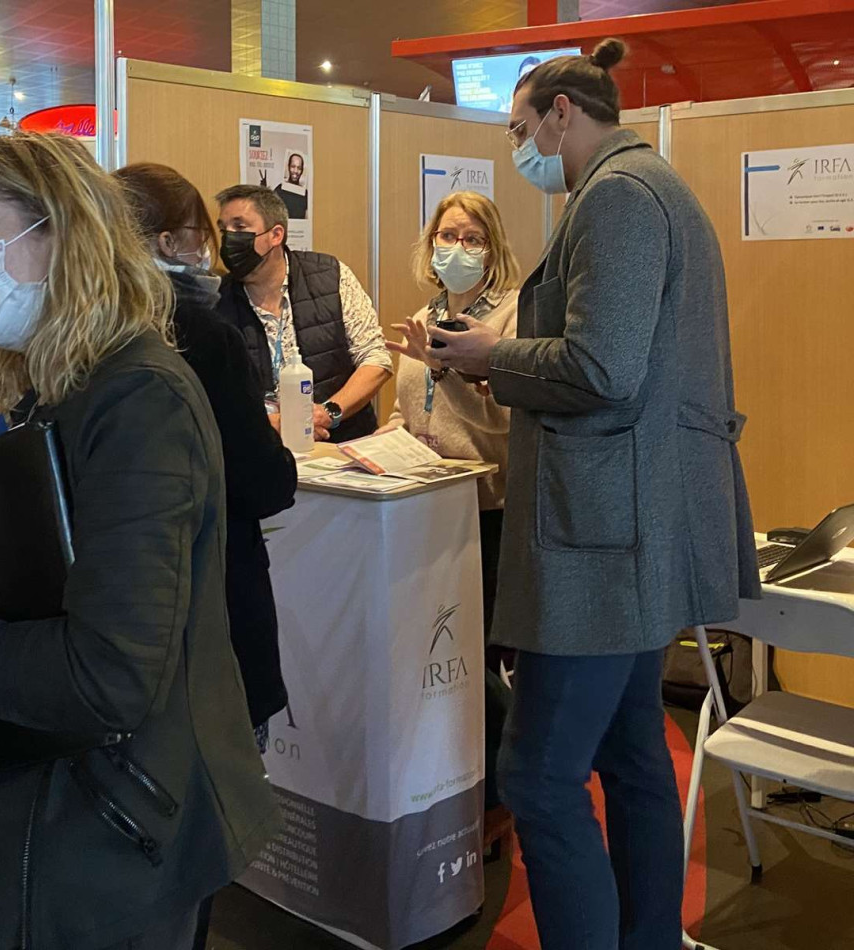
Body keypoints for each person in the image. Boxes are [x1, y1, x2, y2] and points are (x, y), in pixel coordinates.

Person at [0, 133, 278, 950]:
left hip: (112, 819)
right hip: (64, 798)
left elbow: (106, 677)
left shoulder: (134, 397)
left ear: (58, 232)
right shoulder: (61, 383)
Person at [431, 38, 760, 950]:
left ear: (561, 113)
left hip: (604, 537)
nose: (518, 147)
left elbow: (602, 366)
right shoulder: (653, 189)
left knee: (537, 777)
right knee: (631, 758)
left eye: (518, 127)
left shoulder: (616, 197)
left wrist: (490, 356)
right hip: (633, 527)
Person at [116, 162, 296, 748]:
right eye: (208, 233)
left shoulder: (75, 322)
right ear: (170, 242)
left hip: (116, 619)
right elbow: (260, 483)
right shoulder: (199, 331)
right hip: (206, 599)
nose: (216, 250)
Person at [382, 189, 519, 807]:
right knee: (427, 657)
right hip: (422, 509)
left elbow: (508, 425)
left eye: (471, 239)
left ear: (492, 250)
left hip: (483, 512)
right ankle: (440, 780)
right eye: (446, 236)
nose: (455, 249)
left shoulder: (511, 320)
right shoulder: (425, 313)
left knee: (471, 658)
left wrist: (444, 370)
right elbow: (406, 407)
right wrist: (386, 438)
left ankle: (492, 793)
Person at [215, 184, 392, 444]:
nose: (229, 238)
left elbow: (376, 359)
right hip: (261, 453)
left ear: (276, 235)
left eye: (239, 227)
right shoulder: (217, 300)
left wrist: (327, 412)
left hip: (341, 450)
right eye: (223, 229)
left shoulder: (330, 275)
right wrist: (263, 423)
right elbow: (209, 391)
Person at [273, 153, 308, 219]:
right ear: (288, 167)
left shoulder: (305, 194)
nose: (296, 171)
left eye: (299, 168)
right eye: (293, 166)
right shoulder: (278, 190)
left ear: (302, 170)